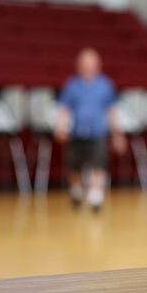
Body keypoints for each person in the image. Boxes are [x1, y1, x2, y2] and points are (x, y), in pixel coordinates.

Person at [55, 48, 126, 211]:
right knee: (74, 167)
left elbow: (112, 111)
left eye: (91, 62)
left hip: (98, 133)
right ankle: (77, 191)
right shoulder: (72, 85)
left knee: (98, 164)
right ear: (79, 65)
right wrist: (61, 127)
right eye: (85, 63)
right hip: (77, 133)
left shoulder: (105, 85)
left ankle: (95, 197)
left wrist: (117, 135)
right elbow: (64, 109)